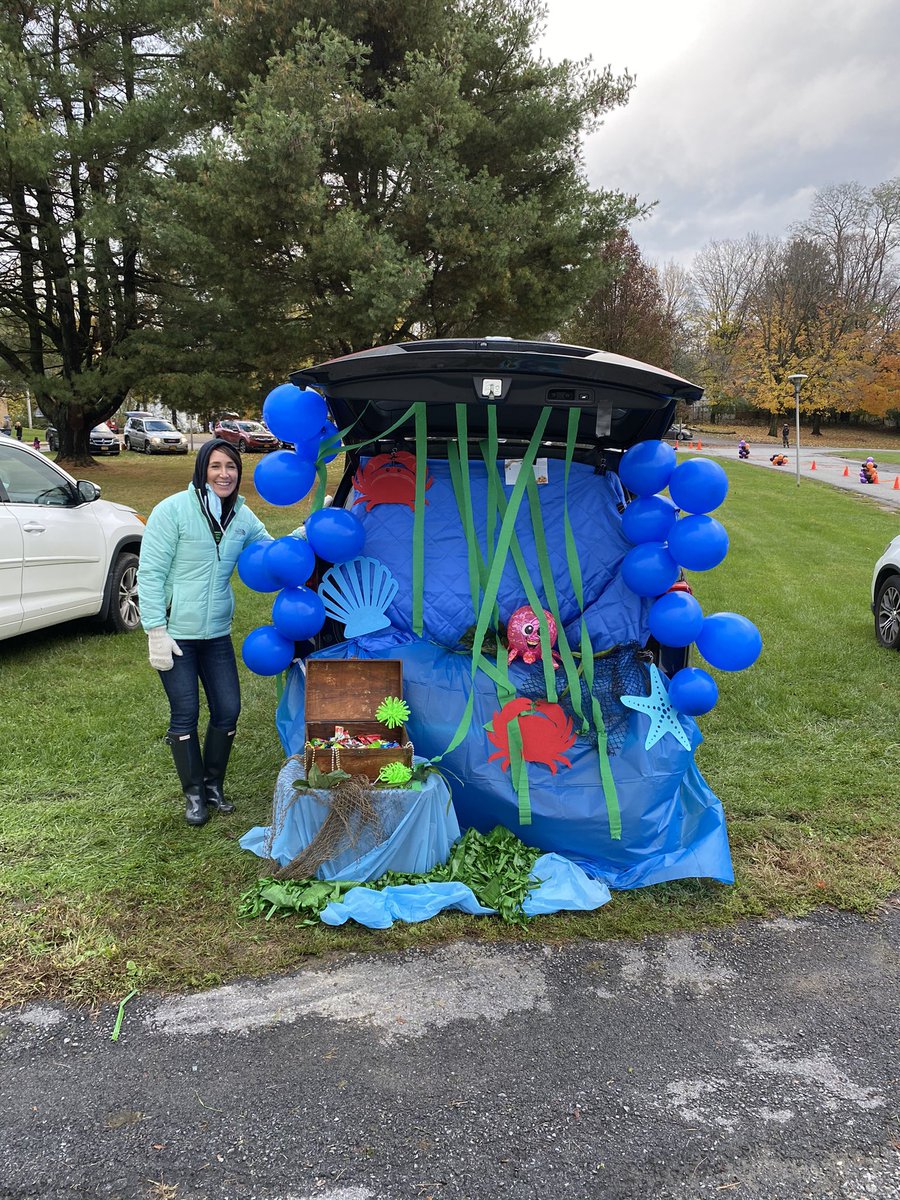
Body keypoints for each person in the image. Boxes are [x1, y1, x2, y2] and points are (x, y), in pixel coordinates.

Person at [137, 439, 277, 827]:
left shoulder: (242, 518)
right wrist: (155, 632)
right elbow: (149, 575)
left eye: (231, 467)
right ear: (202, 470)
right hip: (175, 634)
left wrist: (306, 532)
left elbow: (270, 552)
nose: (224, 474)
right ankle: (194, 795)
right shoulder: (172, 511)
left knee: (228, 710)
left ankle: (214, 786)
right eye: (215, 466)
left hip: (215, 633)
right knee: (185, 715)